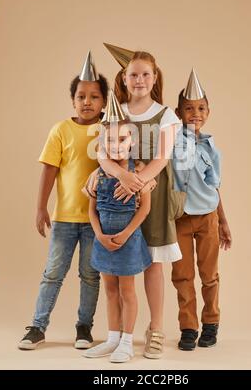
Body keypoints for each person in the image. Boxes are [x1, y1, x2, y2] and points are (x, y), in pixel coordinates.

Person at [18, 52, 108, 350]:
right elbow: (49, 170)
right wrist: (41, 207)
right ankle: (37, 326)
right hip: (65, 219)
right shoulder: (61, 130)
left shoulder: (109, 131)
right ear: (72, 100)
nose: (87, 102)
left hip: (97, 220)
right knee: (53, 273)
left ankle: (84, 328)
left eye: (94, 96)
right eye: (81, 96)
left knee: (90, 276)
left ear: (104, 102)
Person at [83, 90, 154, 363]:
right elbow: (91, 208)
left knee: (127, 290)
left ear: (132, 140)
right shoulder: (98, 174)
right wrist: (99, 234)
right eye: (109, 140)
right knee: (110, 290)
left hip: (128, 240)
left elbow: (144, 208)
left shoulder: (139, 173)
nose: (116, 145)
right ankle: (112, 338)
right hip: (103, 241)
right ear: (102, 143)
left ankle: (126, 341)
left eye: (122, 139)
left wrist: (126, 233)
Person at [171, 69, 232, 351]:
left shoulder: (211, 147)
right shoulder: (171, 141)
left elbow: (214, 187)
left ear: (208, 111)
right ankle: (188, 327)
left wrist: (223, 222)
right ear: (179, 112)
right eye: (189, 109)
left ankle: (211, 323)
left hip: (207, 218)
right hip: (181, 219)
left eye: (201, 108)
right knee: (183, 276)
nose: (195, 113)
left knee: (209, 275)